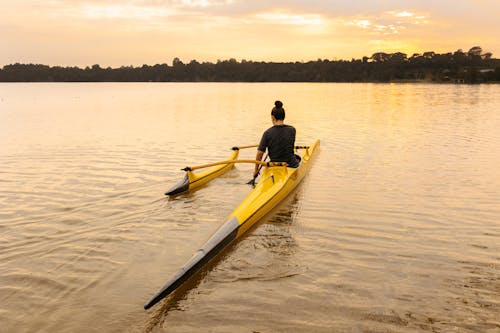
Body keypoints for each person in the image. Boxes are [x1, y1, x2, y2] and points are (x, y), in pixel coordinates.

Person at [253, 100, 300, 179]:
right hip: (291, 165)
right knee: (297, 158)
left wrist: (256, 170)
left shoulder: (267, 133)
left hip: (274, 166)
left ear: (273, 117)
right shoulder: (292, 130)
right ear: (284, 116)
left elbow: (259, 154)